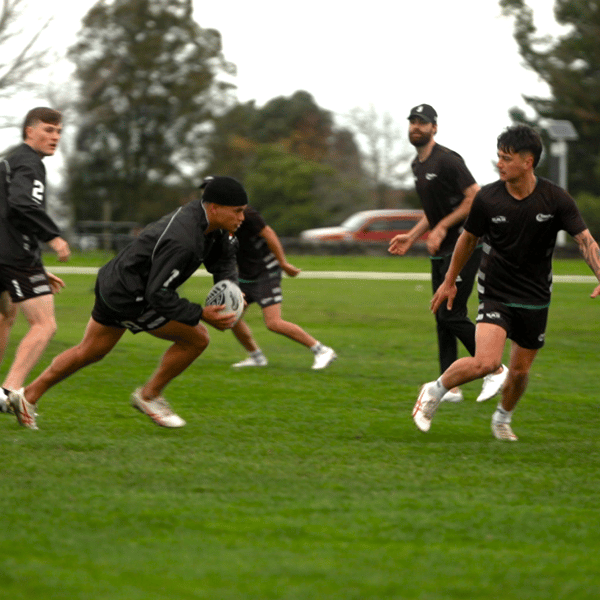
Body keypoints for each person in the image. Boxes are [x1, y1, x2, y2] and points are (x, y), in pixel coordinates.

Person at [7, 176, 248, 430]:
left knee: (89, 351)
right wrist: (201, 313)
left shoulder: (214, 226)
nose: (242, 217)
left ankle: (27, 397)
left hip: (116, 282)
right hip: (130, 295)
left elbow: (224, 259)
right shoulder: (184, 239)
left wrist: (231, 288)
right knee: (197, 337)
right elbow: (159, 295)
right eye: (238, 211)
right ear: (214, 208)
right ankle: (149, 396)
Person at [412, 124, 600, 441]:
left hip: (536, 296)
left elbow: (585, 241)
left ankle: (502, 417)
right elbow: (467, 240)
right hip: (496, 291)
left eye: (506, 158)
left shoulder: (555, 199)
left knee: (521, 372)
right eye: (499, 156)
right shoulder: (488, 198)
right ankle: (434, 390)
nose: (499, 163)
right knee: (486, 362)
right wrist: (450, 281)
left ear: (528, 162)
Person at [389, 104, 507, 403]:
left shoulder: (448, 161)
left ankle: (494, 368)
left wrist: (442, 227)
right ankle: (450, 387)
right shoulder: (418, 165)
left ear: (434, 128)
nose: (416, 126)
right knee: (440, 316)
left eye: (422, 122)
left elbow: (475, 196)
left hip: (466, 246)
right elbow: (433, 212)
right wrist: (412, 235)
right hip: (440, 251)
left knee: (451, 314)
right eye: (413, 122)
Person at [0, 107, 71, 414]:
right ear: (30, 131)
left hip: (7, 253)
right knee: (44, 324)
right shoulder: (29, 164)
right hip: (15, 256)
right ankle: (8, 392)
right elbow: (21, 205)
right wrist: (53, 237)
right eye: (48, 130)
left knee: (5, 316)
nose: (54, 137)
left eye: (58, 131)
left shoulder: (10, 160)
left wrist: (40, 268)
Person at [230, 205, 336, 370]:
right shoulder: (215, 222)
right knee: (232, 317)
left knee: (273, 323)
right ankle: (257, 358)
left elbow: (269, 233)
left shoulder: (247, 214)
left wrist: (283, 263)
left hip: (266, 272)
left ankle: (322, 350)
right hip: (245, 275)